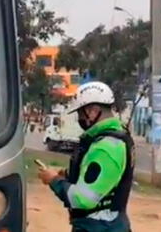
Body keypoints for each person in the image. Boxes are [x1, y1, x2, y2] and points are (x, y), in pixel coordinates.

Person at [37, 81, 134, 232]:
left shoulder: (105, 148)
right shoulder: (107, 140)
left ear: (93, 111)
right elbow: (101, 179)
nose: (78, 119)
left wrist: (54, 181)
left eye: (80, 113)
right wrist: (66, 174)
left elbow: (82, 199)